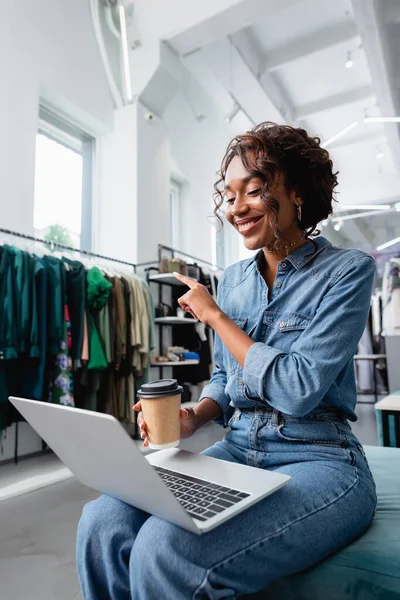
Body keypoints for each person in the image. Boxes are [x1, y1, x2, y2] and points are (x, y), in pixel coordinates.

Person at [76, 122, 377, 599]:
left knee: (166, 547)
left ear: (296, 192)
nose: (236, 208)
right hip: (239, 449)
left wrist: (215, 316)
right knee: (102, 520)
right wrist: (197, 415)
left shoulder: (347, 271)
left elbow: (299, 390)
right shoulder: (234, 278)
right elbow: (223, 375)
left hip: (318, 456)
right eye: (231, 195)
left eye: (254, 191)